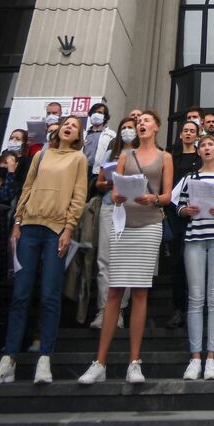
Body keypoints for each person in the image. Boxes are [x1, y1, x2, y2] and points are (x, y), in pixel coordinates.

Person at [0, 116, 89, 385]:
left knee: (50, 294)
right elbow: (26, 188)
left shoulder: (79, 159)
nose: (68, 127)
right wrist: (17, 222)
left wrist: (68, 229)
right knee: (20, 293)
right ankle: (8, 360)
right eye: (66, 123)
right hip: (29, 227)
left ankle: (45, 358)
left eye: (74, 126)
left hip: (56, 231)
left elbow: (78, 196)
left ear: (78, 135)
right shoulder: (41, 156)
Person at [77, 110, 171, 384]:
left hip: (150, 224)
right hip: (123, 225)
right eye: (138, 122)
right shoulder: (124, 156)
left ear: (157, 126)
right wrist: (118, 194)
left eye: (146, 122)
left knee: (140, 292)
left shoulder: (165, 157)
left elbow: (167, 195)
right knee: (115, 291)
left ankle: (134, 362)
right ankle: (100, 362)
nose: (141, 125)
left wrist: (152, 198)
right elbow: (113, 189)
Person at [175, 135, 214, 380]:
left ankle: (211, 357)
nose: (207, 148)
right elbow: (178, 206)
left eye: (211, 145)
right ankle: (195, 357)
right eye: (203, 146)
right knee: (195, 298)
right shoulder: (189, 178)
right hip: (195, 238)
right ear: (198, 152)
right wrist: (185, 210)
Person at [88, 115, 138, 330]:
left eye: (131, 127)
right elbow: (98, 183)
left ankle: (119, 311)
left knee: (126, 262)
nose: (127, 130)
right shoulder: (111, 153)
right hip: (110, 206)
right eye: (124, 127)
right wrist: (108, 182)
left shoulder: (142, 154)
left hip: (133, 210)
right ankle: (103, 309)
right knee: (105, 260)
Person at [165, 117, 202, 329]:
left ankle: (195, 309)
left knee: (195, 263)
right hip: (175, 213)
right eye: (185, 130)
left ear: (197, 135)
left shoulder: (200, 157)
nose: (188, 133)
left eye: (192, 131)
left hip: (197, 214)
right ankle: (179, 309)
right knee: (177, 262)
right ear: (180, 135)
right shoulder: (172, 157)